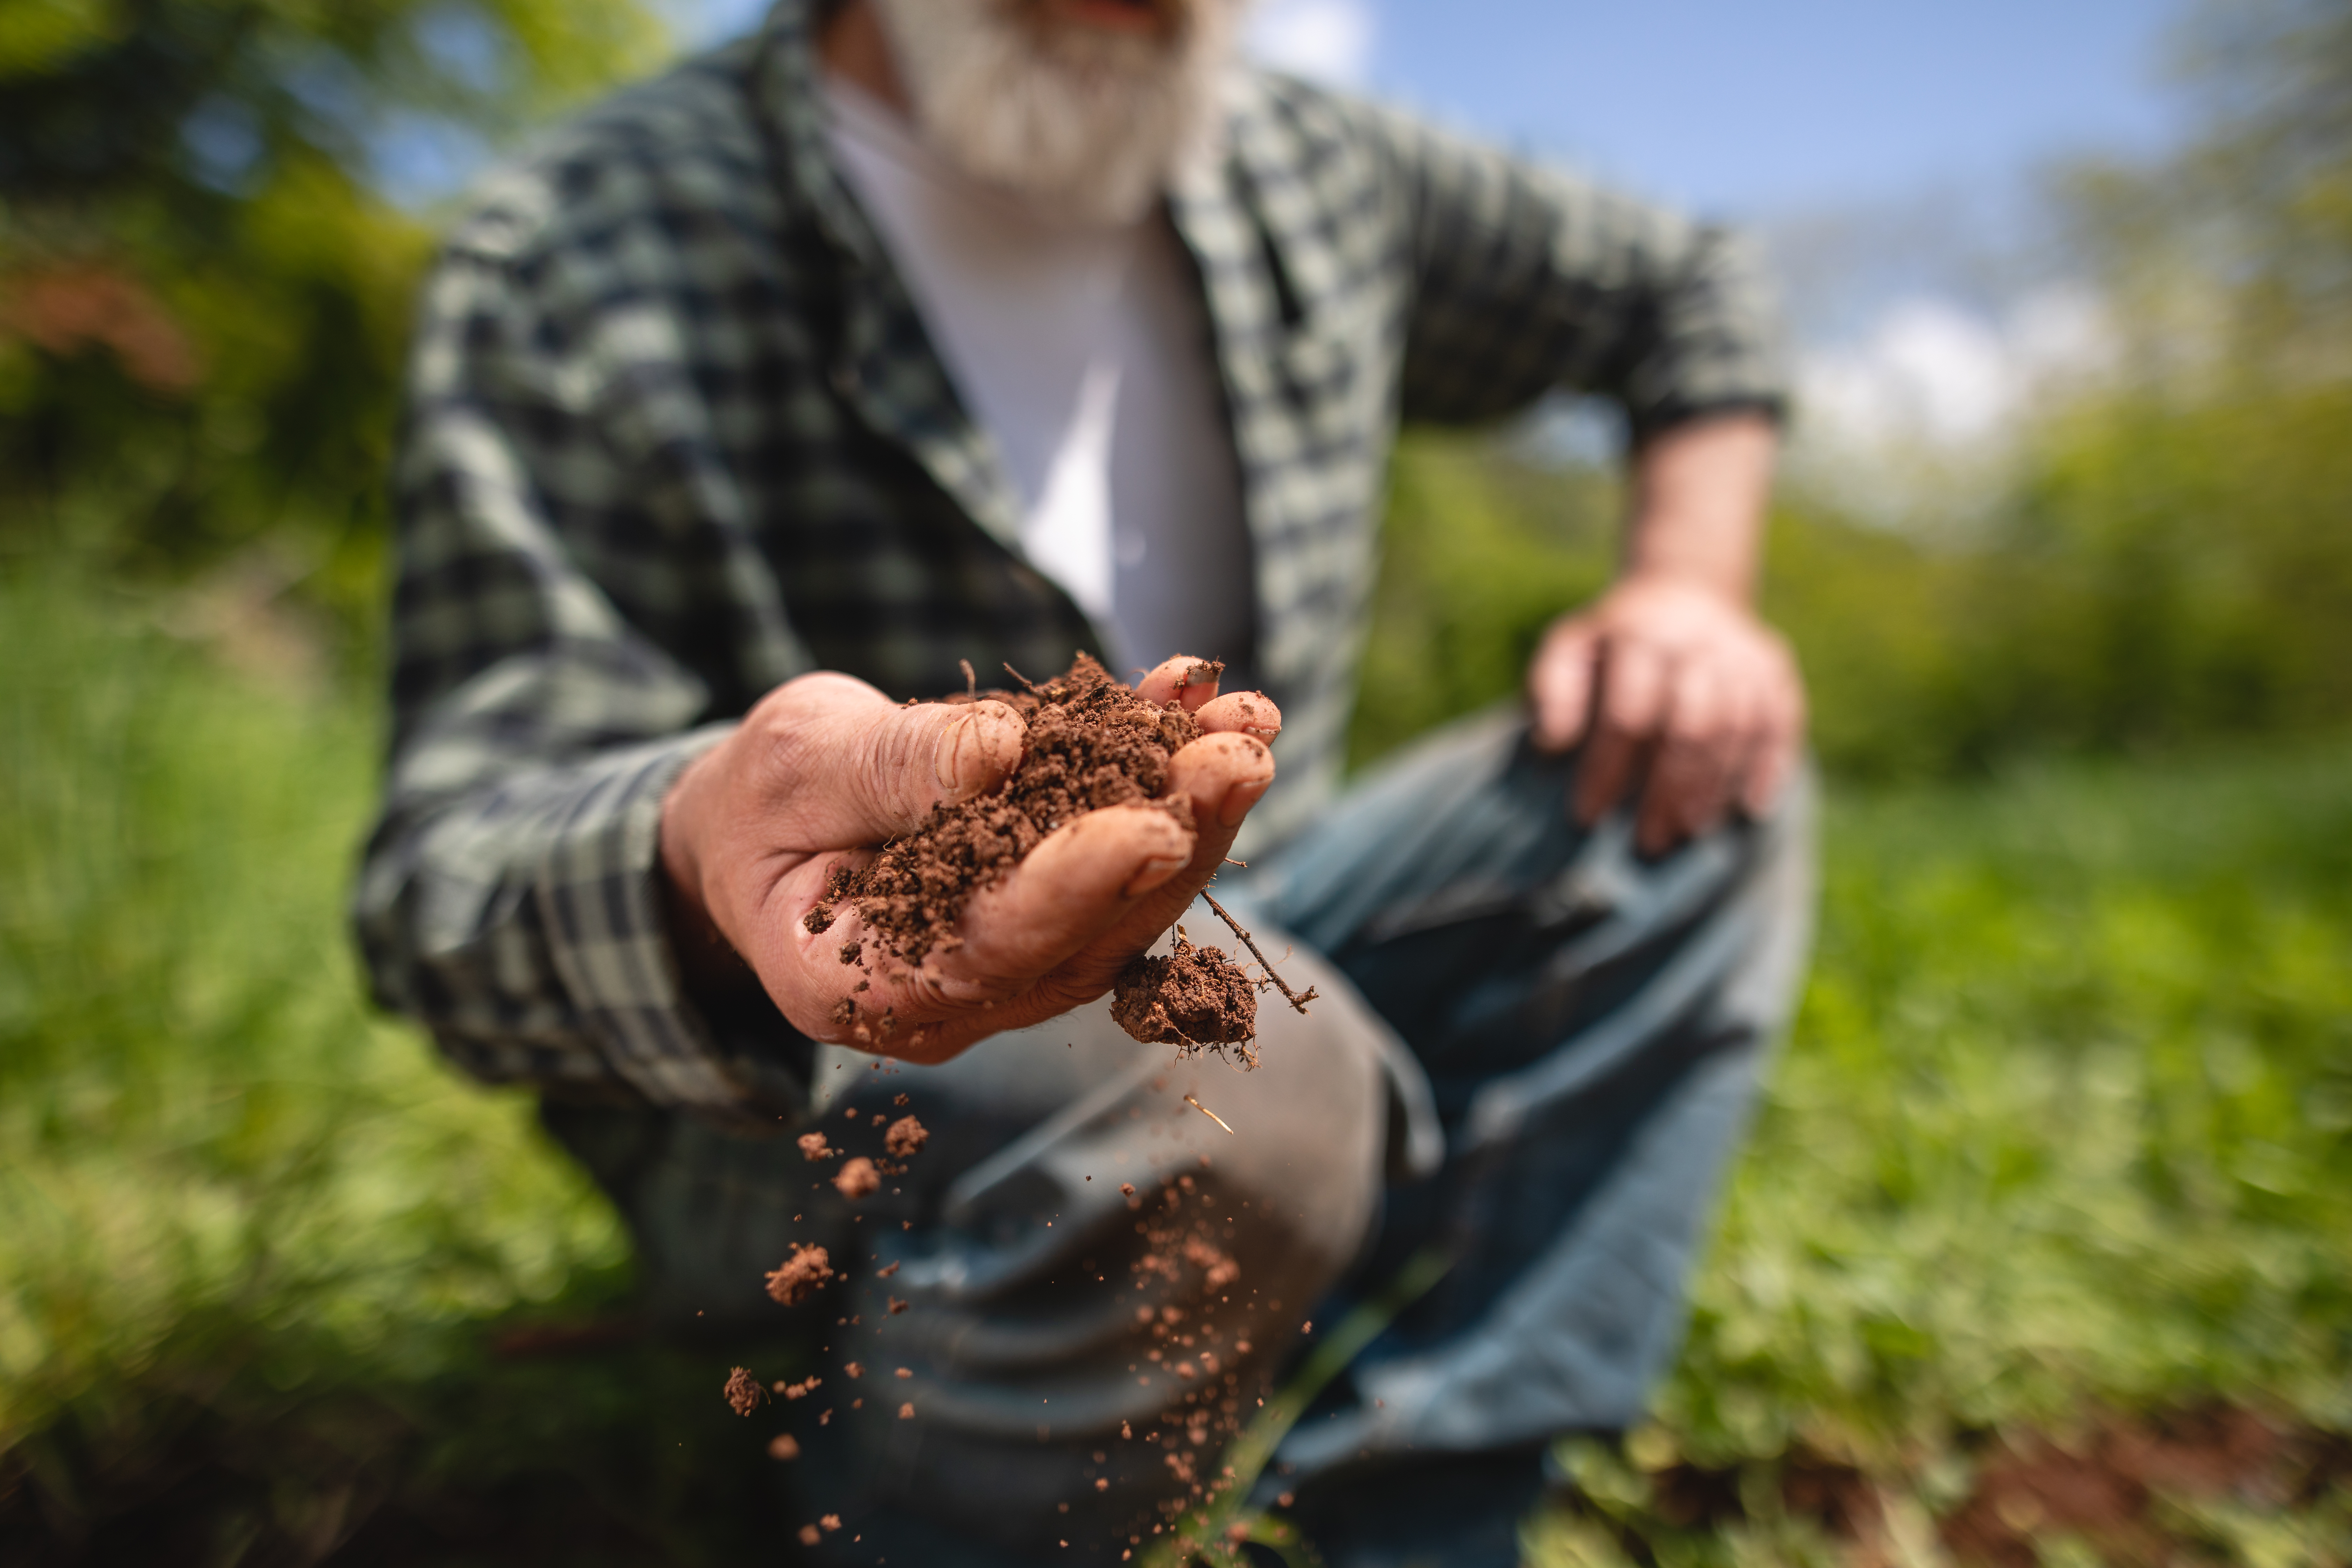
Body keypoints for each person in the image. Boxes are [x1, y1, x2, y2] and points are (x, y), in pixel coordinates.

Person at [355, 0, 1814, 1562]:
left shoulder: (1307, 165)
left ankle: (1413, 1512)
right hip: (804, 1085)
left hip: (1272, 920)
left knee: (1689, 783)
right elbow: (446, 879)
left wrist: (1687, 586)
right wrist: (708, 845)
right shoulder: (583, 250)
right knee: (1231, 1080)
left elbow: (1690, 286)